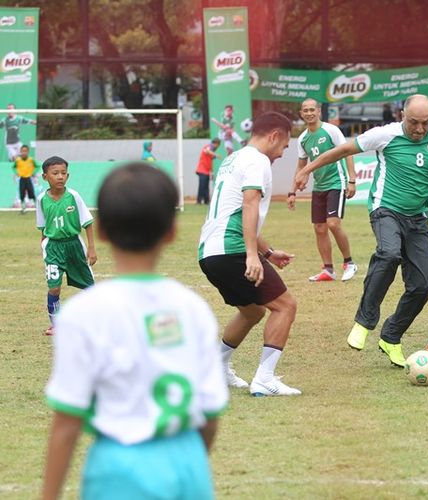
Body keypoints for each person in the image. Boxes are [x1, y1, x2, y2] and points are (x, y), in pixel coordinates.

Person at [42, 163, 228, 500]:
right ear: (172, 231)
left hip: (118, 470)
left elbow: (66, 424)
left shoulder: (83, 313)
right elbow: (210, 416)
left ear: (102, 231)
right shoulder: (193, 308)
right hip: (188, 464)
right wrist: (188, 463)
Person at [294, 94, 428, 367]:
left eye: (425, 123)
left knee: (424, 285)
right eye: (414, 122)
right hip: (386, 209)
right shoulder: (384, 135)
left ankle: (391, 336)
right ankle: (364, 321)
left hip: (417, 218)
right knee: (389, 254)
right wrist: (306, 169)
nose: (419, 130)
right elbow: (344, 151)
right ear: (402, 115)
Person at [199, 112, 301, 396]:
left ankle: (216, 370)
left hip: (209, 252)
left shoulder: (234, 159)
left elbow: (233, 212)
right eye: (284, 146)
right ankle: (265, 380)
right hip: (232, 250)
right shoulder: (258, 161)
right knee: (285, 306)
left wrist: (267, 252)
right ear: (274, 136)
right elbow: (248, 205)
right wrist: (252, 256)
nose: (282, 154)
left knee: (252, 310)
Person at [288, 99, 358, 282]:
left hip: (337, 182)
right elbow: (301, 166)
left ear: (319, 111)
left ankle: (349, 263)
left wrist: (352, 180)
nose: (309, 113)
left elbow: (348, 151)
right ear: (301, 114)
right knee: (319, 228)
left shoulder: (331, 130)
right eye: (305, 110)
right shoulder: (303, 139)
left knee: (333, 223)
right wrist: (292, 191)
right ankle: (328, 270)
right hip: (319, 186)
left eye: (312, 109)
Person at [36, 156, 97, 336]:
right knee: (54, 287)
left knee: (90, 286)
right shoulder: (41, 199)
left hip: (74, 245)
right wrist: (43, 246)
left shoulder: (74, 196)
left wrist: (92, 248)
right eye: (55, 173)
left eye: (63, 173)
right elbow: (42, 226)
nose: (60, 177)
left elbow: (87, 223)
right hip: (53, 247)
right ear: (45, 176)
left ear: (68, 176)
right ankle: (56, 324)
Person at [14, 144, 39, 214]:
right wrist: (17, 172)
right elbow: (14, 167)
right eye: (22, 151)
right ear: (20, 151)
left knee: (31, 193)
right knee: (21, 193)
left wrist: (33, 172)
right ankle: (23, 208)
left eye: (25, 151)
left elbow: (38, 166)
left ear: (28, 152)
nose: (24, 152)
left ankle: (37, 208)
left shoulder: (31, 159)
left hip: (28, 178)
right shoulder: (18, 160)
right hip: (22, 179)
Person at [196, 138, 221, 204]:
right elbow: (207, 151)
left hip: (206, 171)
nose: (217, 147)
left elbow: (210, 162)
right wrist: (216, 154)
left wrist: (211, 173)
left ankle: (206, 201)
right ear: (216, 144)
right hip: (202, 170)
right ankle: (199, 201)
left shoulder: (211, 151)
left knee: (206, 187)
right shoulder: (209, 146)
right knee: (202, 186)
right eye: (218, 145)